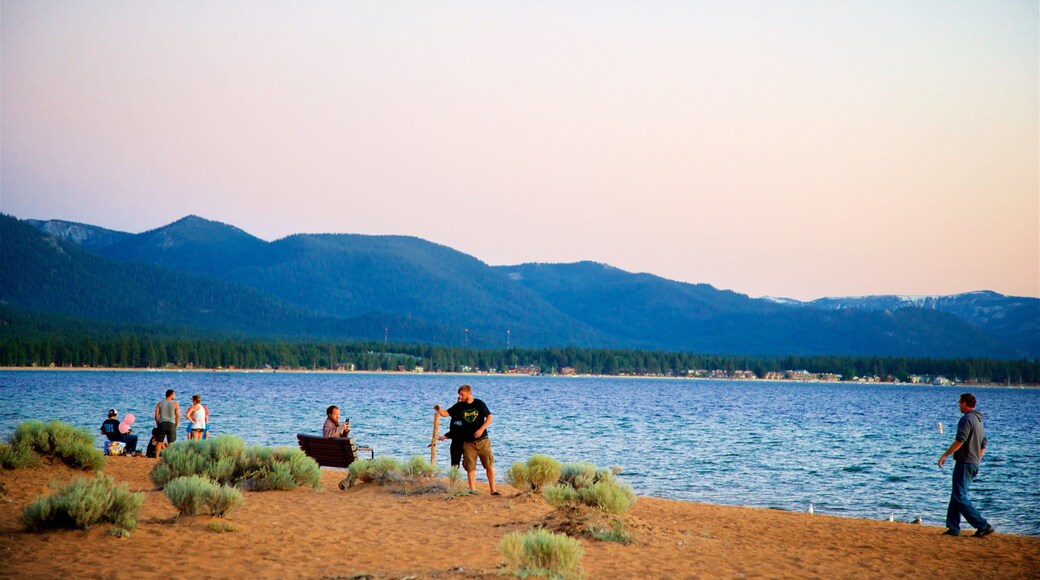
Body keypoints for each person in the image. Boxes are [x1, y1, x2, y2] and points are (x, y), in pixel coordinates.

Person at [938, 393, 994, 538]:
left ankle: (983, 525)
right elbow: (984, 444)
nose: (958, 405)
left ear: (964, 403)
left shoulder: (966, 419)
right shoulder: (978, 420)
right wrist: (977, 459)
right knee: (957, 494)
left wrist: (945, 455)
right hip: (973, 463)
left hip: (965, 463)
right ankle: (953, 527)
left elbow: (960, 441)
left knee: (959, 496)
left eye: (959, 403)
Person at [434, 385, 498, 495]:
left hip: (483, 441)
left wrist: (482, 429)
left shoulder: (479, 403)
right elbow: (446, 413)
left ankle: (493, 490)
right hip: (468, 443)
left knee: (489, 465)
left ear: (469, 393)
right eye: (459, 394)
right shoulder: (459, 406)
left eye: (462, 394)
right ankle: (472, 490)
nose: (460, 396)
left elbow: (489, 417)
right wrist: (439, 409)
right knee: (470, 467)